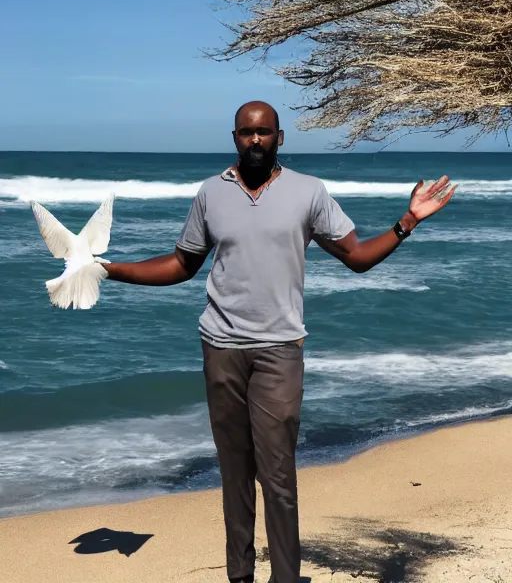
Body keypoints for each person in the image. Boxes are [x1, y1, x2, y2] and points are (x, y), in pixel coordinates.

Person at [102, 101, 456, 583]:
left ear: (280, 138)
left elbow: (355, 256)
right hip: (220, 348)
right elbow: (181, 265)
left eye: (264, 132)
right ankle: (240, 576)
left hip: (279, 350)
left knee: (278, 475)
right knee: (234, 472)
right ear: (234, 137)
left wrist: (408, 221)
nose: (255, 140)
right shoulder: (210, 193)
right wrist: (110, 270)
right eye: (247, 133)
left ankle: (286, 578)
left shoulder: (308, 192)